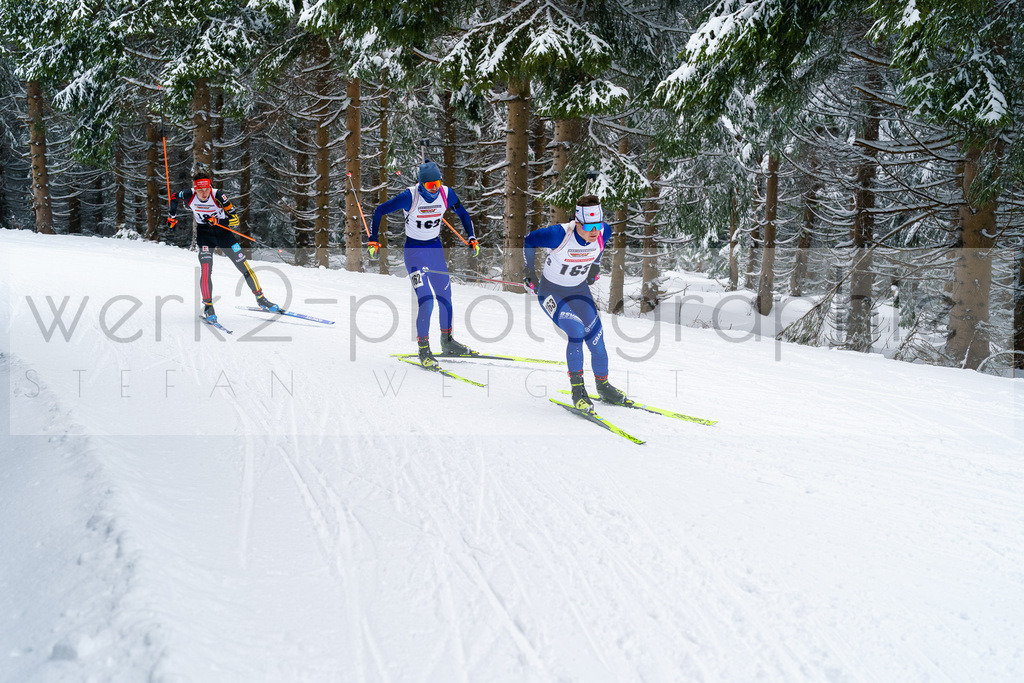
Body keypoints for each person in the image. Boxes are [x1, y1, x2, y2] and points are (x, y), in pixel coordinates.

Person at [368, 160, 479, 366]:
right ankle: (424, 349)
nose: (435, 189)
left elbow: (463, 213)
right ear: (421, 185)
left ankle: (447, 342)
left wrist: (472, 237)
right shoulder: (410, 196)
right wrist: (373, 239)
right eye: (430, 186)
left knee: (445, 297)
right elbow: (379, 211)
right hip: (414, 253)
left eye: (437, 183)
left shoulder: (446, 194)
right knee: (426, 300)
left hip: (435, 252)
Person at [523, 195, 628, 411]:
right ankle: (578, 391)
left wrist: (595, 267)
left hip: (579, 291)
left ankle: (603, 386)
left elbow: (602, 243)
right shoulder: (559, 234)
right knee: (576, 330)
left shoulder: (602, 232)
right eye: (589, 226)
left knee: (597, 338)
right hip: (551, 292)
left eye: (597, 225)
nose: (594, 231)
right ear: (577, 222)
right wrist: (529, 272)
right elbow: (528, 239)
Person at [166, 169, 280, 322]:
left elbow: (235, 220)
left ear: (210, 186)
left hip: (224, 234)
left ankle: (261, 299)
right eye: (200, 191)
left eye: (206, 189)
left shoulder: (218, 195)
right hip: (205, 235)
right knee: (206, 270)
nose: (204, 193)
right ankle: (208, 306)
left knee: (244, 267)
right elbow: (173, 197)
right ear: (195, 189)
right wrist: (172, 216)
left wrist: (218, 221)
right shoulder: (188, 194)